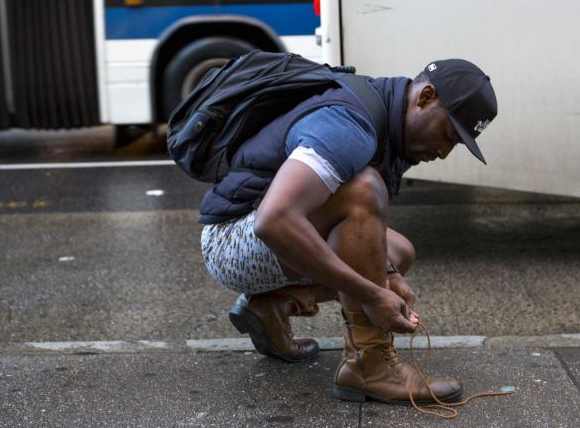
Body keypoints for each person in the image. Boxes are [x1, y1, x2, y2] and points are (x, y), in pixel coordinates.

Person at [200, 58, 497, 405]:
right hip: (229, 241)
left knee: (398, 253)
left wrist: (385, 274)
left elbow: (357, 231)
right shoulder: (349, 125)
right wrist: (372, 293)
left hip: (256, 231)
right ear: (426, 97)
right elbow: (274, 220)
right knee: (363, 191)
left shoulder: (386, 116)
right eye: (448, 134)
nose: (444, 152)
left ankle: (274, 305)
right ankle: (368, 366)